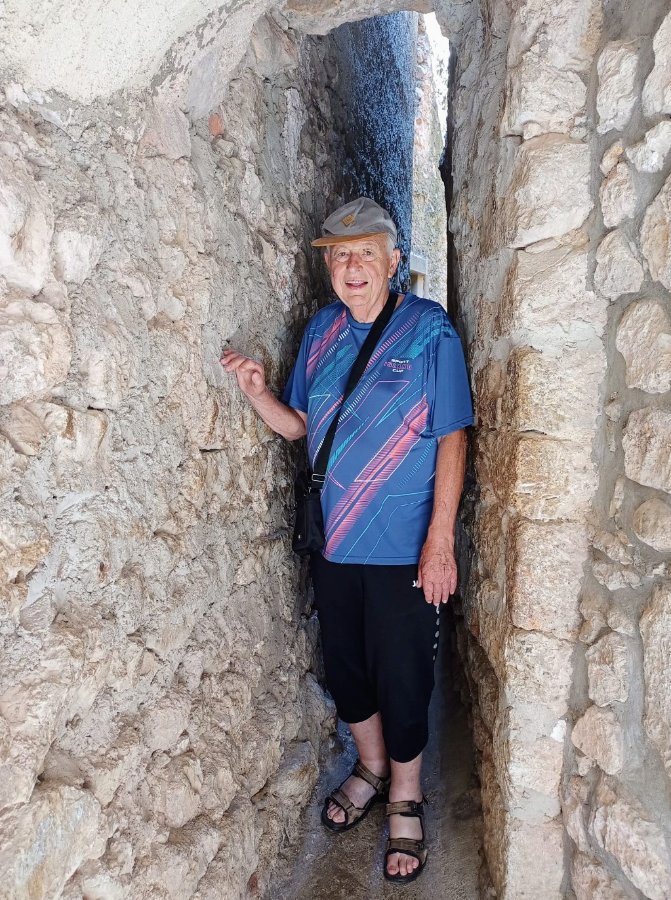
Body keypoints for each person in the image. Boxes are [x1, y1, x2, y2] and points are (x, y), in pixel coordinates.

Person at [221, 196, 473, 884]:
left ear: (394, 261)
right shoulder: (321, 331)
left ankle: (405, 794)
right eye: (339, 255)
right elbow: (301, 425)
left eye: (366, 252)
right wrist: (256, 393)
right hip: (335, 542)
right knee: (347, 668)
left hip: (404, 548)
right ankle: (369, 765)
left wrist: (440, 541)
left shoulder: (429, 331)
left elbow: (452, 435)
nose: (352, 265)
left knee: (403, 674)